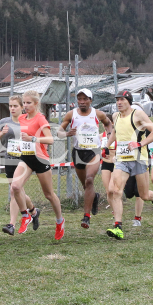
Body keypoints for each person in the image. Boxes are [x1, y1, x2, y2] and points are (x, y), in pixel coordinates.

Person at [104, 90, 153, 239]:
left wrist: (139, 143)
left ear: (129, 101)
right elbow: (116, 132)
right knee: (116, 191)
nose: (119, 102)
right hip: (122, 159)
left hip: (139, 159)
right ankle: (118, 227)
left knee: (144, 195)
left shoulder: (137, 114)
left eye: (122, 100)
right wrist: (107, 145)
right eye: (117, 100)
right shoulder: (115, 116)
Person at [10, 89, 65, 239]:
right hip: (26, 158)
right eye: (24, 103)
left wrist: (33, 139)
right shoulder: (22, 118)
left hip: (40, 159)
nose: (25, 105)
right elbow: (24, 137)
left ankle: (60, 221)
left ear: (36, 103)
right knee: (15, 186)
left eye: (28, 103)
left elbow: (50, 140)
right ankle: (26, 215)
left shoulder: (40, 119)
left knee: (49, 195)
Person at [59, 88, 112, 228]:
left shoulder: (98, 114)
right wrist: (67, 134)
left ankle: (86, 217)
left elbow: (108, 124)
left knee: (89, 180)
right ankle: (94, 197)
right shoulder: (71, 114)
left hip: (93, 151)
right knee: (85, 185)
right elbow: (59, 132)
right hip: (78, 152)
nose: (82, 102)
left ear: (90, 100)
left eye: (85, 99)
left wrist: (109, 138)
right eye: (79, 99)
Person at [0, 95, 39, 235]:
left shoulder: (28, 121)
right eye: (10, 106)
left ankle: (11, 224)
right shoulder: (4, 122)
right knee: (18, 191)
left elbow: (36, 140)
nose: (12, 108)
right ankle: (34, 211)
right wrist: (1, 133)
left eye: (15, 106)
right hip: (9, 159)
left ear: (21, 107)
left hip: (25, 160)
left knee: (14, 190)